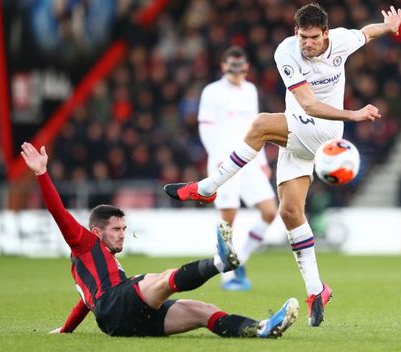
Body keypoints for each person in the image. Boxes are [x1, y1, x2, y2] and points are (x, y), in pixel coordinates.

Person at [165, 3, 401, 327]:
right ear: (296, 33)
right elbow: (307, 102)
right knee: (290, 213)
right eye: (303, 37)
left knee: (261, 124)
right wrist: (354, 113)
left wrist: (388, 27)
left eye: (314, 38)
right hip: (301, 125)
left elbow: (365, 34)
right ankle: (317, 290)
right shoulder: (286, 53)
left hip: (326, 131)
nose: (308, 43)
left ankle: (208, 187)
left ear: (326, 34)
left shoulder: (343, 41)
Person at [20, 142, 298, 338]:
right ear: (96, 232)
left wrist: (66, 330)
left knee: (202, 311)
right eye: (116, 229)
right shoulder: (84, 243)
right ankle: (219, 262)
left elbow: (84, 304)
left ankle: (260, 328)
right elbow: (58, 212)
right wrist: (41, 173)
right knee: (162, 278)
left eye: (124, 228)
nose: (122, 234)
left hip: (123, 322)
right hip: (117, 304)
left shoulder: (90, 268)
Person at [198, 46, 278, 291]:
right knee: (228, 218)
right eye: (232, 66)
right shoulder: (212, 91)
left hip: (250, 161)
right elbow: (206, 127)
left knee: (269, 211)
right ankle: (227, 275)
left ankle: (240, 258)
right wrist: (218, 157)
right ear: (223, 66)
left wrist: (263, 161)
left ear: (247, 67)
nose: (237, 70)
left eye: (241, 66)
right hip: (225, 163)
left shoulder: (250, 90)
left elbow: (256, 129)